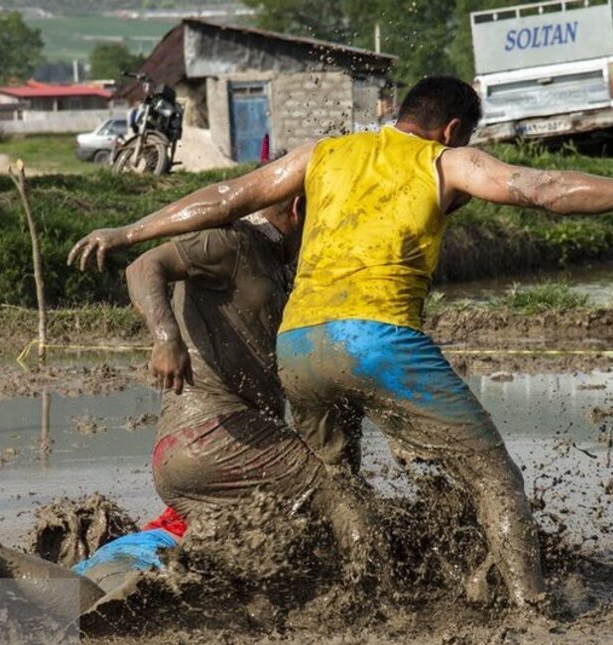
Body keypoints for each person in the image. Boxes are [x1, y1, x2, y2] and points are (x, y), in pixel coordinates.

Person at [68, 75, 613, 610]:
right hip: (375, 338)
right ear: (454, 130)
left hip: (300, 347)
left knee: (336, 484)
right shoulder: (447, 159)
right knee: (493, 477)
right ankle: (532, 609)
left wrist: (129, 229)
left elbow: (225, 195)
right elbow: (539, 188)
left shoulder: (323, 154)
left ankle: (357, 597)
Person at [70, 196, 386, 593]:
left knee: (247, 538)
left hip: (197, 448)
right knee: (341, 497)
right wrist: (166, 338)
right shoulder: (232, 240)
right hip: (213, 435)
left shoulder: (273, 263)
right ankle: (370, 601)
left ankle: (108, 584)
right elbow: (144, 266)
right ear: (297, 208)